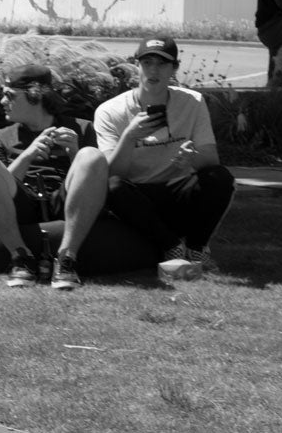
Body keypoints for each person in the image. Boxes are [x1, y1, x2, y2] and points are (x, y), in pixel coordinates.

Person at [94, 35, 236, 276]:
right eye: (147, 63)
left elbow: (211, 159)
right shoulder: (110, 111)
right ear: (136, 66)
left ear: (174, 69)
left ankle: (196, 248)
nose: (154, 70)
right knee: (113, 186)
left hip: (176, 191)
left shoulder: (193, 102)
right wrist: (129, 137)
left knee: (219, 178)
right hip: (136, 198)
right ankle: (172, 248)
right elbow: (111, 173)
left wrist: (192, 158)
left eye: (162, 64)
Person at [0, 62, 107, 291]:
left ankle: (67, 259)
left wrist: (74, 152)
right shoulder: (0, 137)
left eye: (9, 95)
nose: (2, 102)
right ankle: (21, 257)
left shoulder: (81, 128)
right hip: (21, 203)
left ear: (35, 95)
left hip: (64, 199)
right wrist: (27, 155)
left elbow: (93, 183)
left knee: (91, 156)